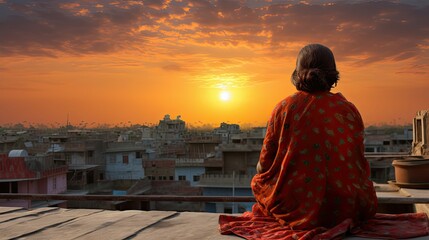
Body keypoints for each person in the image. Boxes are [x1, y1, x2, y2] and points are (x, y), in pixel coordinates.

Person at [219, 44, 429, 239]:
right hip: (347, 208)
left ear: (297, 73)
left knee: (259, 181)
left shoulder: (283, 107)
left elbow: (264, 164)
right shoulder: (348, 109)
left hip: (294, 208)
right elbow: (357, 162)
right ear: (333, 74)